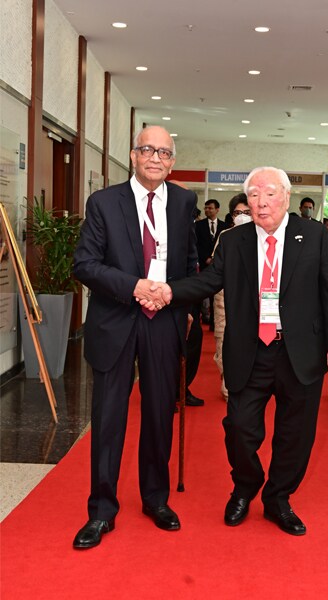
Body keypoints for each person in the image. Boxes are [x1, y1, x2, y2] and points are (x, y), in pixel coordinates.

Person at [140, 166, 328, 536]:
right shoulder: (234, 240)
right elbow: (209, 279)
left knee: (295, 433)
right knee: (239, 428)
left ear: (285, 197)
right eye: (253, 194)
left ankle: (278, 499)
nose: (261, 202)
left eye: (269, 193)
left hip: (300, 351)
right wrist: (169, 292)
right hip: (250, 350)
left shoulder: (313, 235)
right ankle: (245, 486)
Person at [72, 125, 198, 549]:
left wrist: (180, 299)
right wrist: (133, 286)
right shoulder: (104, 202)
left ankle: (155, 499)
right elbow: (85, 264)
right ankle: (101, 511)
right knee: (109, 420)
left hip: (163, 323)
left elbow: (190, 262)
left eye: (164, 151)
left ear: (172, 160)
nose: (156, 158)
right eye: (148, 149)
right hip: (116, 321)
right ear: (133, 154)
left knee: (161, 415)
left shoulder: (184, 202)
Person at [212, 193, 252, 400]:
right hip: (224, 298)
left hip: (252, 300)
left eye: (247, 212)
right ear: (231, 215)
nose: (242, 216)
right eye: (238, 212)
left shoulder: (262, 236)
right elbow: (215, 270)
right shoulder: (225, 236)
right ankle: (227, 384)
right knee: (223, 340)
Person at [195, 199, 226, 330]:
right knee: (199, 295)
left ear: (217, 209)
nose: (207, 210)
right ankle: (198, 319)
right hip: (202, 265)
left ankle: (214, 322)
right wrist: (205, 258)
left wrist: (214, 259)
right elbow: (196, 244)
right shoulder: (198, 225)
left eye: (210, 208)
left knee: (216, 297)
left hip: (217, 265)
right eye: (206, 208)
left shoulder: (224, 226)